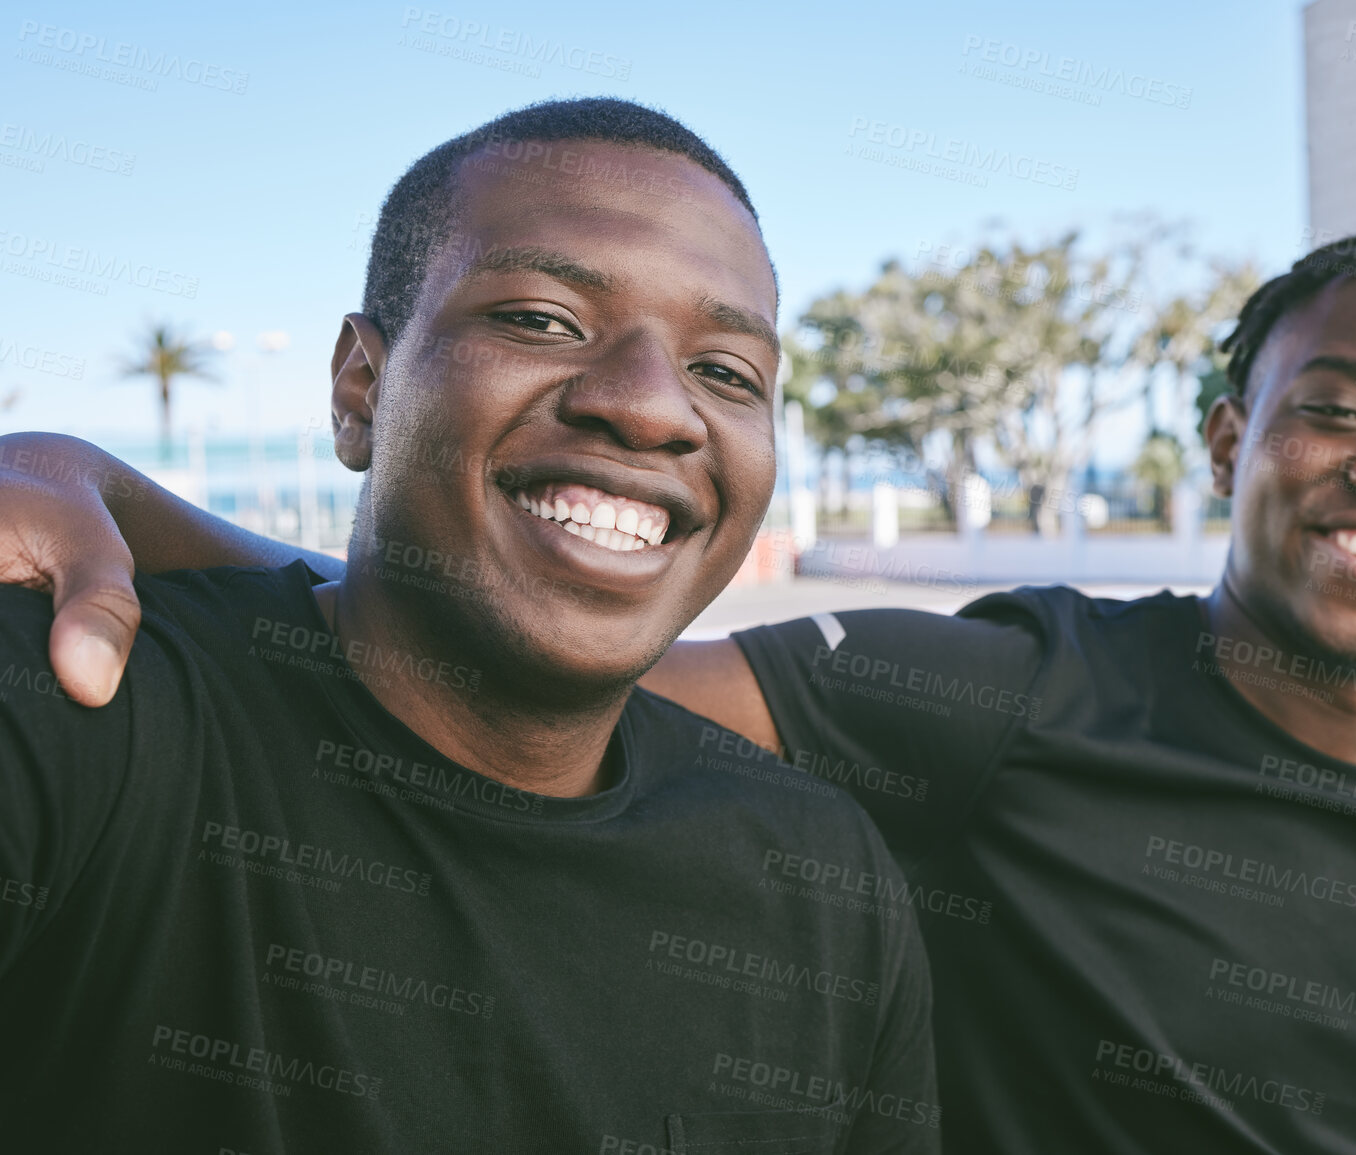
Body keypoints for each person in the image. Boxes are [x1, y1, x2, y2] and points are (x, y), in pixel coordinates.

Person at [0, 233, 1356, 1153]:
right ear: (1228, 445)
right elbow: (503, 638)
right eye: (1336, 411)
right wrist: (94, 484)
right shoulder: (1007, 689)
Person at [0, 98, 940, 1154]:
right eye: (540, 319)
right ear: (362, 391)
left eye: (726, 373)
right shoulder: (85, 709)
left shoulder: (820, 877)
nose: (650, 408)